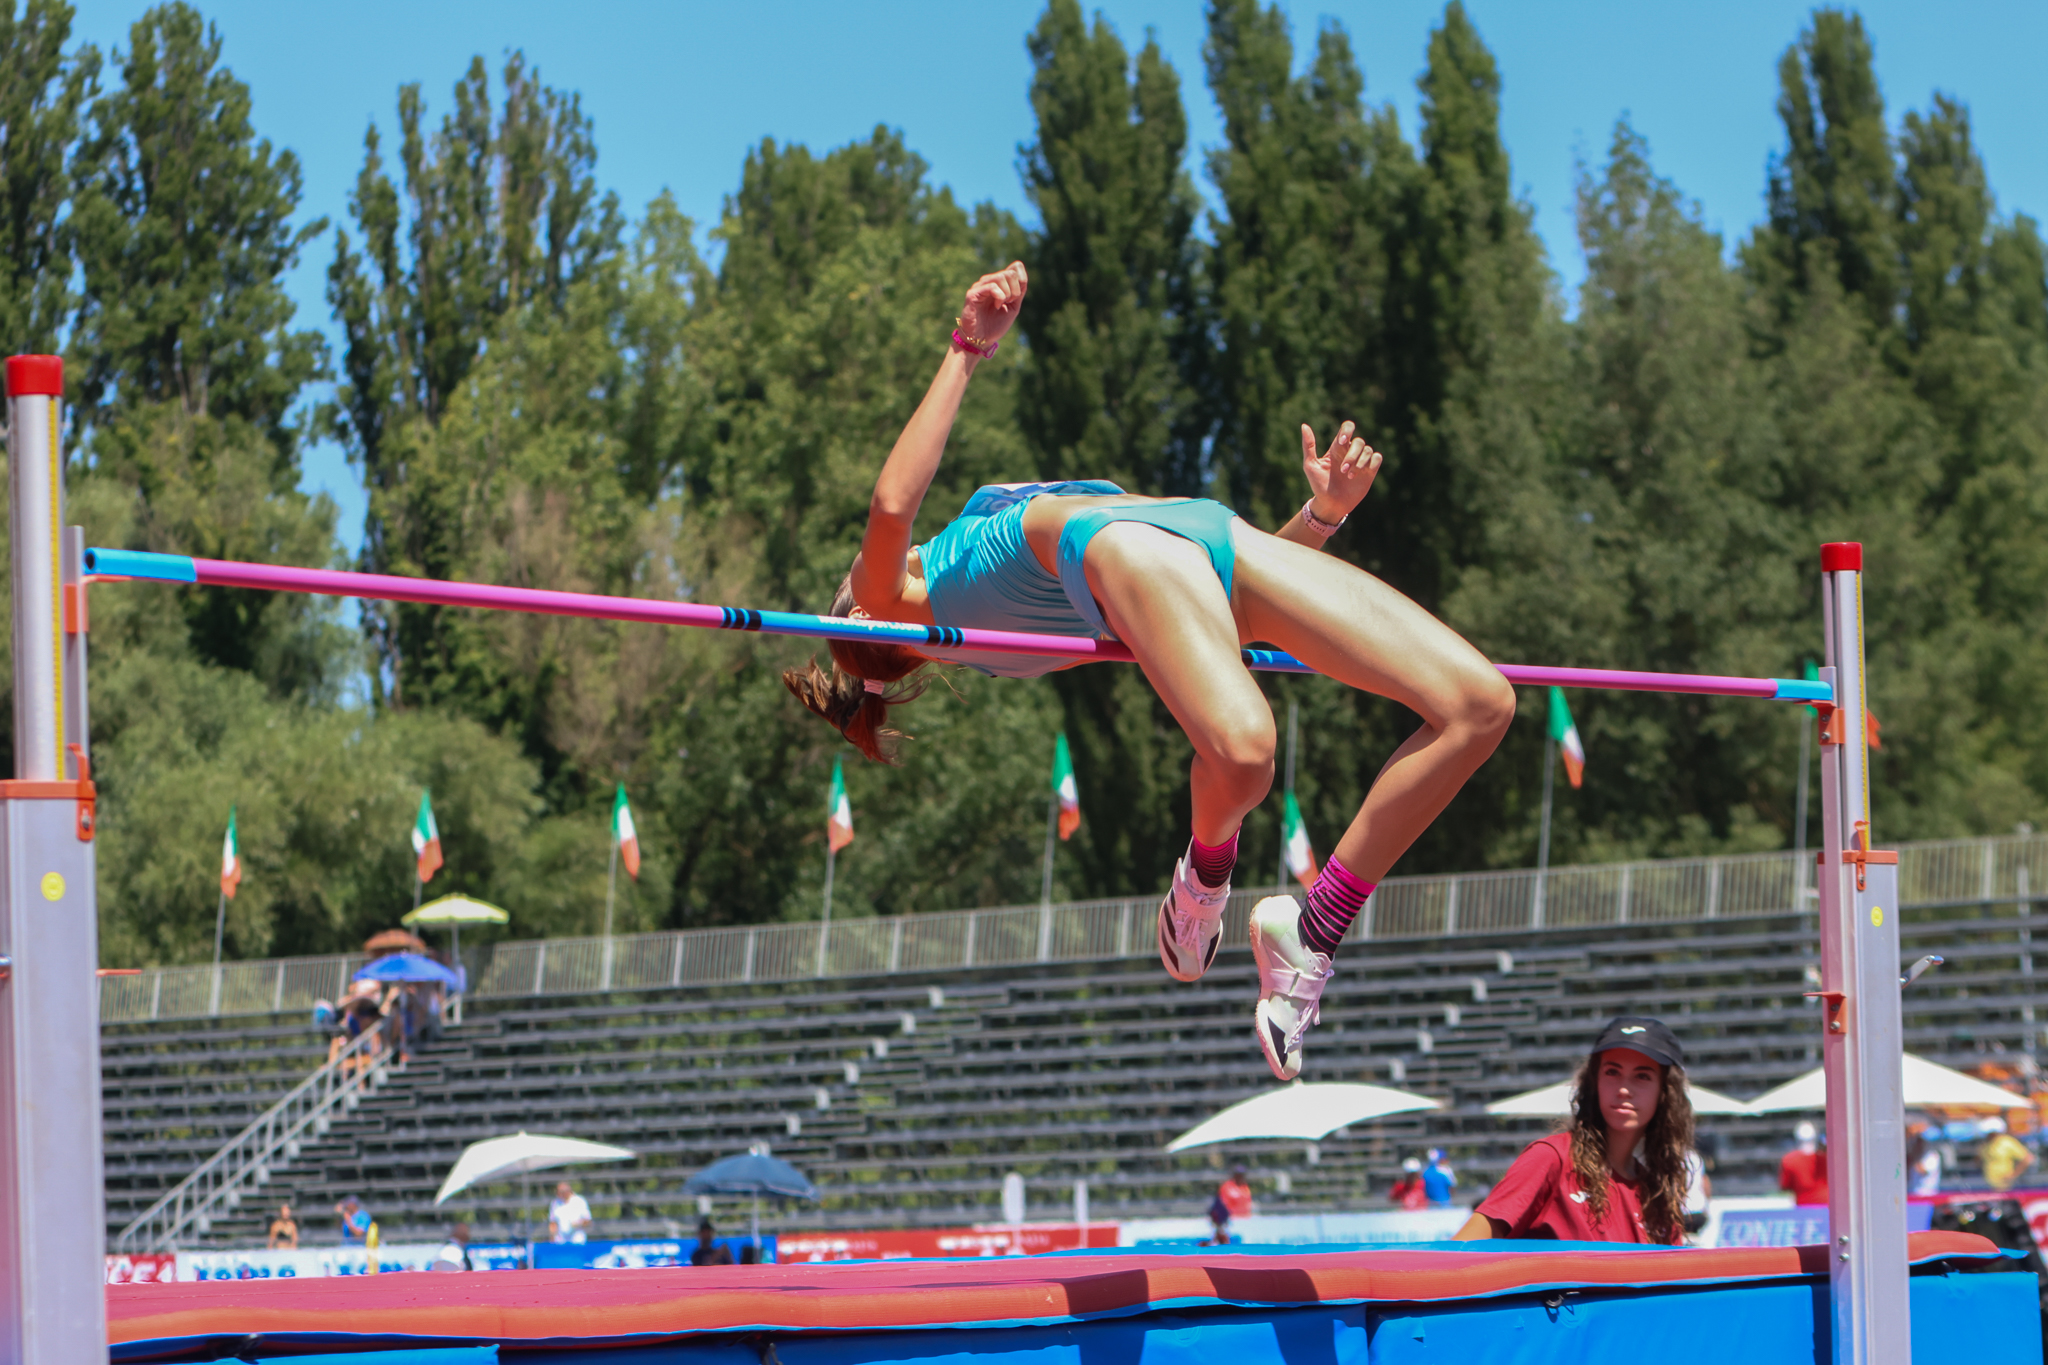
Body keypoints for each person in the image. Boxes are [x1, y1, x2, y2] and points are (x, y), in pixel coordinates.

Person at [782, 262, 1514, 1080]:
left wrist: (1319, 518)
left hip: (1208, 539)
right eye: (854, 577)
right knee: (1246, 754)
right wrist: (966, 345)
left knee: (1480, 704)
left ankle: (1308, 928)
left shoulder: (992, 618)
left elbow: (1207, 616)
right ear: (868, 616)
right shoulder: (903, 597)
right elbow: (890, 506)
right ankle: (1205, 884)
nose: (862, 562)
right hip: (1130, 547)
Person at [1456, 1016, 1696, 1245]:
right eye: (1612, 1072)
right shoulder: (1552, 1158)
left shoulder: (1656, 1195)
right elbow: (1458, 1253)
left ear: (1665, 1092)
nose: (1624, 1089)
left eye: (1642, 1076)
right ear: (1594, 1082)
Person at [1779, 1121, 1828, 1206]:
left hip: (1803, 1208)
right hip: (1825, 1206)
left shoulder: (1789, 1160)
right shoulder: (1826, 1159)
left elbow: (1786, 1187)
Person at [1980, 1117, 2035, 1191]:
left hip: (2005, 1185)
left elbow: (2028, 1158)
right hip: (1988, 1185)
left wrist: (2013, 1175)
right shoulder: (1987, 1144)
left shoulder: (2007, 1142)